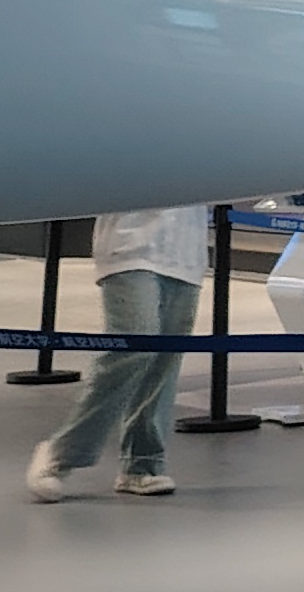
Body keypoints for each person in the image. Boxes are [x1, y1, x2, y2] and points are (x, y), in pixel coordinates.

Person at [23, 203, 215, 500]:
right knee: (133, 345)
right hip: (130, 243)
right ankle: (62, 452)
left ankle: (143, 464)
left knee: (165, 358)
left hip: (186, 251)